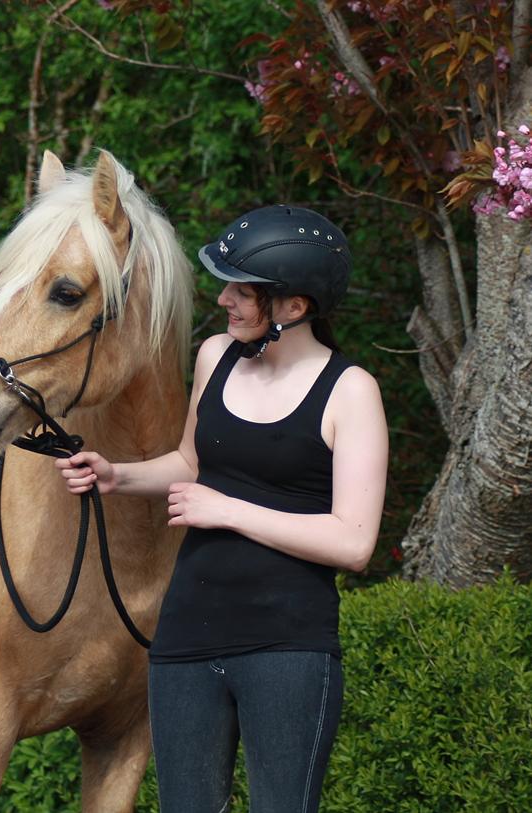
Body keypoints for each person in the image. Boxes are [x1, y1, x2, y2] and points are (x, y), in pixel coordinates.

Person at [56, 205, 388, 813]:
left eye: (243, 290)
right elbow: (190, 463)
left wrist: (228, 510)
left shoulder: (351, 391)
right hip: (185, 639)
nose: (224, 300)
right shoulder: (216, 356)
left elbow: (354, 543)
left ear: (295, 306)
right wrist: (116, 474)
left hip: (287, 647)